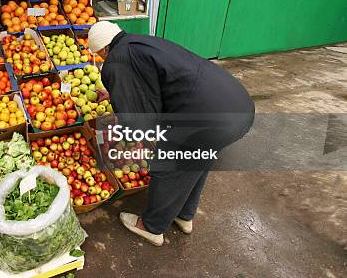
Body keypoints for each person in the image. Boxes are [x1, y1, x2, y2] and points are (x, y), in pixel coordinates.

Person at [87, 21, 255, 246]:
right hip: (236, 106)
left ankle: (152, 227)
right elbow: (152, 85)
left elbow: (136, 116)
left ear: (102, 49)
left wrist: (132, 139)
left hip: (206, 116)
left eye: (98, 54)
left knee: (168, 164)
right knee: (197, 159)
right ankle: (184, 215)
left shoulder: (116, 61)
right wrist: (116, 94)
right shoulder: (141, 42)